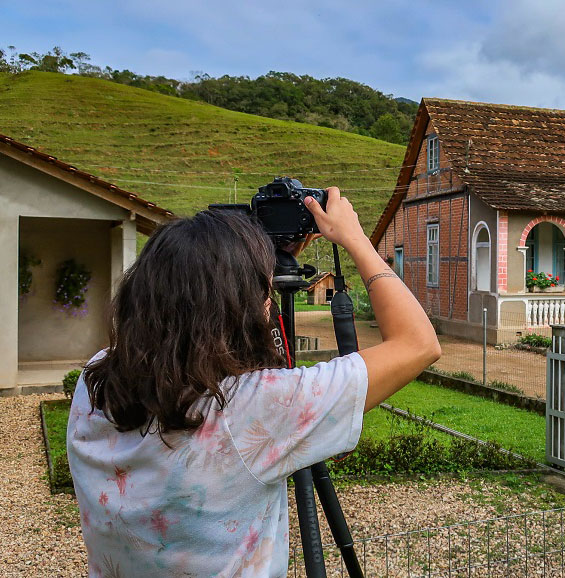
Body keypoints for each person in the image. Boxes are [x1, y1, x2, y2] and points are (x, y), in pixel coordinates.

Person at [67, 187, 440, 577]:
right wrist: (354, 237)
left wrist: (256, 264)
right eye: (263, 293)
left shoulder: (95, 384)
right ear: (240, 308)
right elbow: (418, 343)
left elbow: (198, 343)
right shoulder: (254, 410)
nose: (269, 301)